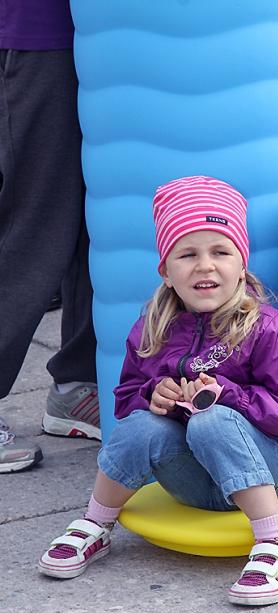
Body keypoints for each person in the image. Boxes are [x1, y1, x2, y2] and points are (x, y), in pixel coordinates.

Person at [39, 176, 278, 606]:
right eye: (188, 255)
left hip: (269, 472)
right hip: (193, 481)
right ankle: (95, 524)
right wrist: (154, 395)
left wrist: (229, 396)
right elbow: (126, 403)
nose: (205, 266)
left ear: (242, 265)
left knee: (212, 420)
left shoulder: (268, 328)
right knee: (144, 425)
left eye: (220, 252)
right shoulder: (152, 328)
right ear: (166, 273)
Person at [0, 0, 100, 474]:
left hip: (102, 32)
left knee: (95, 213)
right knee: (36, 221)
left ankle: (77, 386)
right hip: (37, 31)